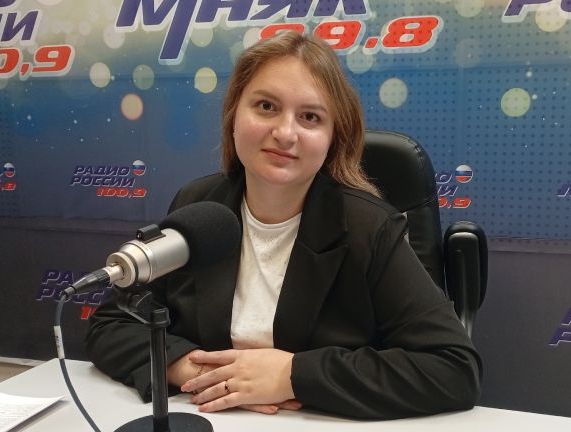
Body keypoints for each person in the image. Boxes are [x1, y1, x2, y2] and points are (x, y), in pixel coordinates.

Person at [85, 31, 481, 420]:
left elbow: (453, 367)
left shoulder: (368, 227)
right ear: (234, 115)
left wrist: (292, 376)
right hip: (210, 415)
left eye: (310, 117)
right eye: (266, 106)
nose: (285, 133)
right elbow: (113, 323)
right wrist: (191, 368)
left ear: (332, 136)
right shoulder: (199, 207)